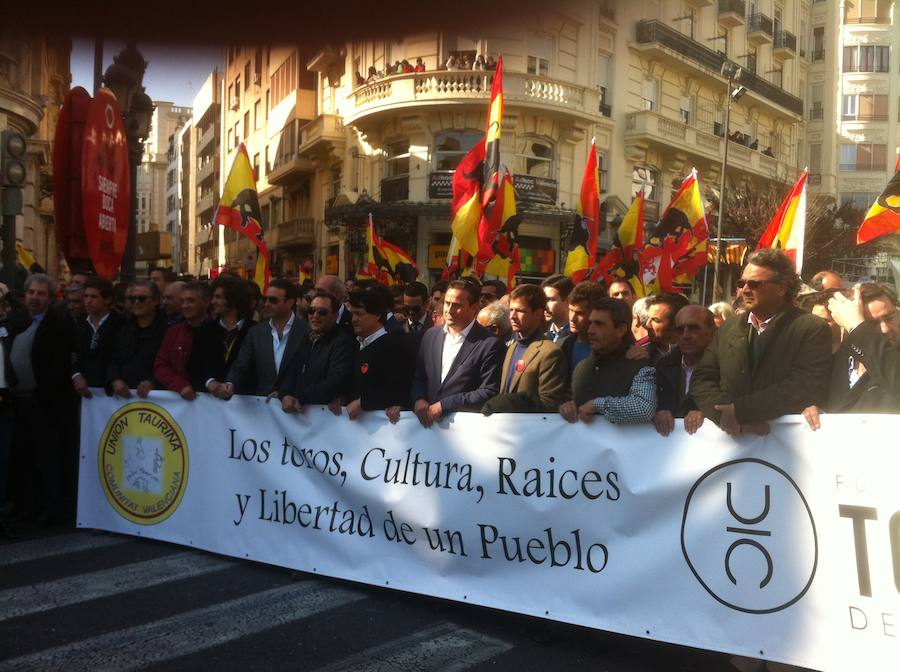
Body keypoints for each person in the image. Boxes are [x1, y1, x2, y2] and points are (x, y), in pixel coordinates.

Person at [691, 249, 832, 436]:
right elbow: (702, 378)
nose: (745, 289)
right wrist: (723, 412)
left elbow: (803, 385)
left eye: (755, 284)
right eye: (742, 283)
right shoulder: (729, 328)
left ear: (782, 288)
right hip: (730, 444)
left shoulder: (811, 328)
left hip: (783, 447)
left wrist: (740, 411)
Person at [8, 274, 77, 524]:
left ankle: (51, 508)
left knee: (46, 458)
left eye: (41, 293)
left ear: (50, 298)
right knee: (24, 458)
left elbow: (58, 366)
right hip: (19, 402)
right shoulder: (18, 322)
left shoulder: (57, 325)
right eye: (31, 293)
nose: (35, 297)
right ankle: (27, 504)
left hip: (45, 404)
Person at [803, 283, 900, 428]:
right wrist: (817, 412)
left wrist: (857, 325)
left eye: (889, 317)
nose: (885, 329)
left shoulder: (892, 361)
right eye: (871, 324)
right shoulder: (838, 359)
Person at [412, 280, 503, 427]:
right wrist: (419, 398)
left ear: (474, 308)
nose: (449, 310)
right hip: (428, 431)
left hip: (466, 431)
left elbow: (489, 391)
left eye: (457, 305)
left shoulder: (489, 344)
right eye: (447, 303)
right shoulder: (430, 336)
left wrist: (445, 405)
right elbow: (420, 376)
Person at [560, 297, 656, 425]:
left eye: (599, 324)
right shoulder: (581, 367)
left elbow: (644, 407)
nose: (590, 331)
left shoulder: (639, 365)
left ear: (620, 329)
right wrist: (568, 407)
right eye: (590, 323)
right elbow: (576, 403)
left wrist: (598, 405)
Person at [482, 284, 567, 414]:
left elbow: (550, 404)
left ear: (538, 313)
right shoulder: (511, 347)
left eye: (520, 311)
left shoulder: (550, 352)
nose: (512, 316)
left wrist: (509, 403)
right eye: (511, 310)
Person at [217, 279, 309, 399]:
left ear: (290, 302)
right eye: (266, 299)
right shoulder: (256, 333)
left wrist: (287, 393)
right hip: (263, 406)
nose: (267, 304)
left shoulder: (307, 331)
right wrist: (230, 383)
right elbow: (241, 365)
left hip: (295, 406)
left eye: (273, 300)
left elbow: (311, 372)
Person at [280, 291, 356, 412]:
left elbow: (336, 380)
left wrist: (300, 396)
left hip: (324, 417)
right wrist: (285, 394)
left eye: (322, 312)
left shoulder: (342, 343)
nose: (315, 316)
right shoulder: (306, 338)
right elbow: (292, 370)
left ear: (335, 317)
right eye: (311, 311)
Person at [346, 286, 413, 423]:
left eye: (359, 314)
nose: (353, 319)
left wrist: (362, 403)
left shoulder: (394, 345)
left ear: (377, 314)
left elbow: (399, 388)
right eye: (352, 314)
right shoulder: (355, 344)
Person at [653, 305, 715, 437]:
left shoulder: (726, 367)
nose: (686, 336)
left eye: (694, 329)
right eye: (680, 330)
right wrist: (657, 411)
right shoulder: (662, 366)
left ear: (710, 332)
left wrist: (707, 412)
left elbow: (734, 402)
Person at [108, 280, 167, 399]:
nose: (136, 302)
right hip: (123, 399)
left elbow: (173, 366)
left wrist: (153, 382)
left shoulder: (168, 330)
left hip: (158, 400)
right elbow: (112, 359)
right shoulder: (122, 328)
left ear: (155, 301)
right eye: (132, 299)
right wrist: (114, 379)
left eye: (142, 299)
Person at [154, 282, 212, 400]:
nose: (185, 305)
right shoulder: (173, 332)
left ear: (206, 302)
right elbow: (160, 366)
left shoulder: (218, 331)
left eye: (191, 301)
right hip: (179, 400)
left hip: (211, 402)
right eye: (182, 301)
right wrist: (180, 386)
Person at [71, 276, 124, 399]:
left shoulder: (120, 324)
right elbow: (73, 354)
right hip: (84, 394)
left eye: (94, 297)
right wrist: (76, 375)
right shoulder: (80, 323)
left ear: (108, 299)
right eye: (86, 296)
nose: (88, 301)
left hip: (112, 394)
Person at [557, 281, 605, 381]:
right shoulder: (561, 346)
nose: (572, 318)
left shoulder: (613, 348)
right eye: (571, 310)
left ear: (596, 312)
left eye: (580, 313)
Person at [630, 293, 690, 365]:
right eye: (648, 318)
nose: (647, 325)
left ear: (676, 324)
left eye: (655, 320)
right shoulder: (639, 354)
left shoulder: (695, 355)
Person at [540, 274, 574, 343]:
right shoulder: (540, 333)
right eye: (543, 300)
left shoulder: (577, 336)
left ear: (568, 301)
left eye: (550, 300)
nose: (544, 306)